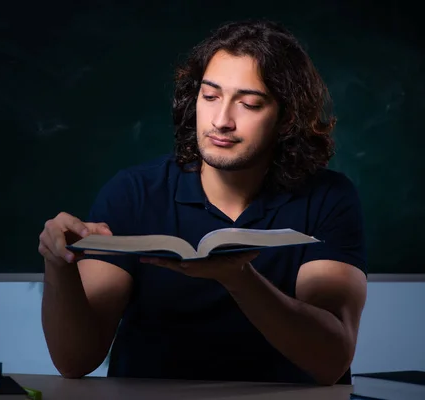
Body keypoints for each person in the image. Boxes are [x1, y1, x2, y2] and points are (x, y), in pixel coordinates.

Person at [38, 19, 368, 386]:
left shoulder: (328, 198)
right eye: (210, 97)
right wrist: (59, 265)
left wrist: (239, 279)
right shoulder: (133, 193)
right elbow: (74, 361)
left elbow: (330, 362)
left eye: (249, 104)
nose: (221, 120)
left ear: (286, 117)